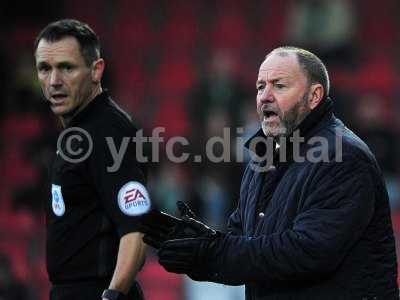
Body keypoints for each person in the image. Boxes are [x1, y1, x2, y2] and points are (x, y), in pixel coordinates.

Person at [140, 47, 399, 299]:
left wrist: (213, 253)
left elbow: (307, 252)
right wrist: (201, 243)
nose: (265, 96)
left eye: (279, 85)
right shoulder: (261, 154)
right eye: (260, 87)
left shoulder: (343, 157)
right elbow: (244, 237)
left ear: (314, 96)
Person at [34, 19, 149, 300]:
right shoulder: (79, 132)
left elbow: (137, 228)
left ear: (96, 70)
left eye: (66, 67)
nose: (54, 81)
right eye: (45, 69)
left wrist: (113, 294)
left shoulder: (107, 130)